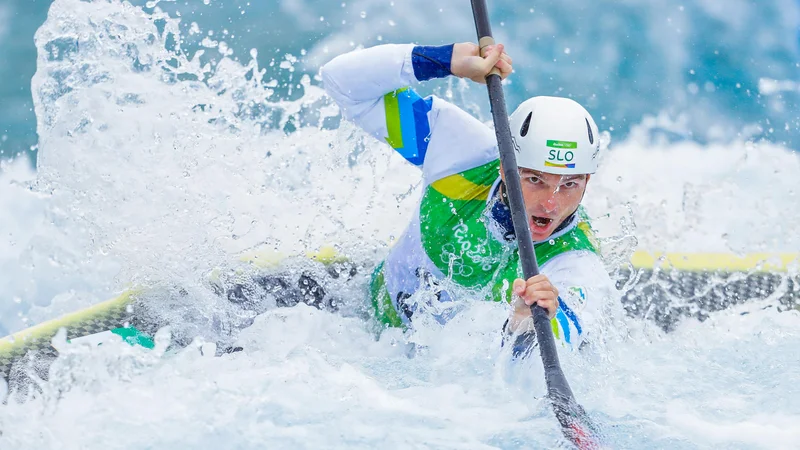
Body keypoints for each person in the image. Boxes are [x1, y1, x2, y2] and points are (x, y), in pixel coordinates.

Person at [320, 42, 617, 348]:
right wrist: (442, 61)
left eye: (570, 184)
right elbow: (343, 84)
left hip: (433, 381)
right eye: (535, 179)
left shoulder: (576, 261)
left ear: (587, 180)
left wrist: (524, 327)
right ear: (504, 167)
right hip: (356, 325)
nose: (551, 203)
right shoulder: (461, 154)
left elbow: (563, 339)